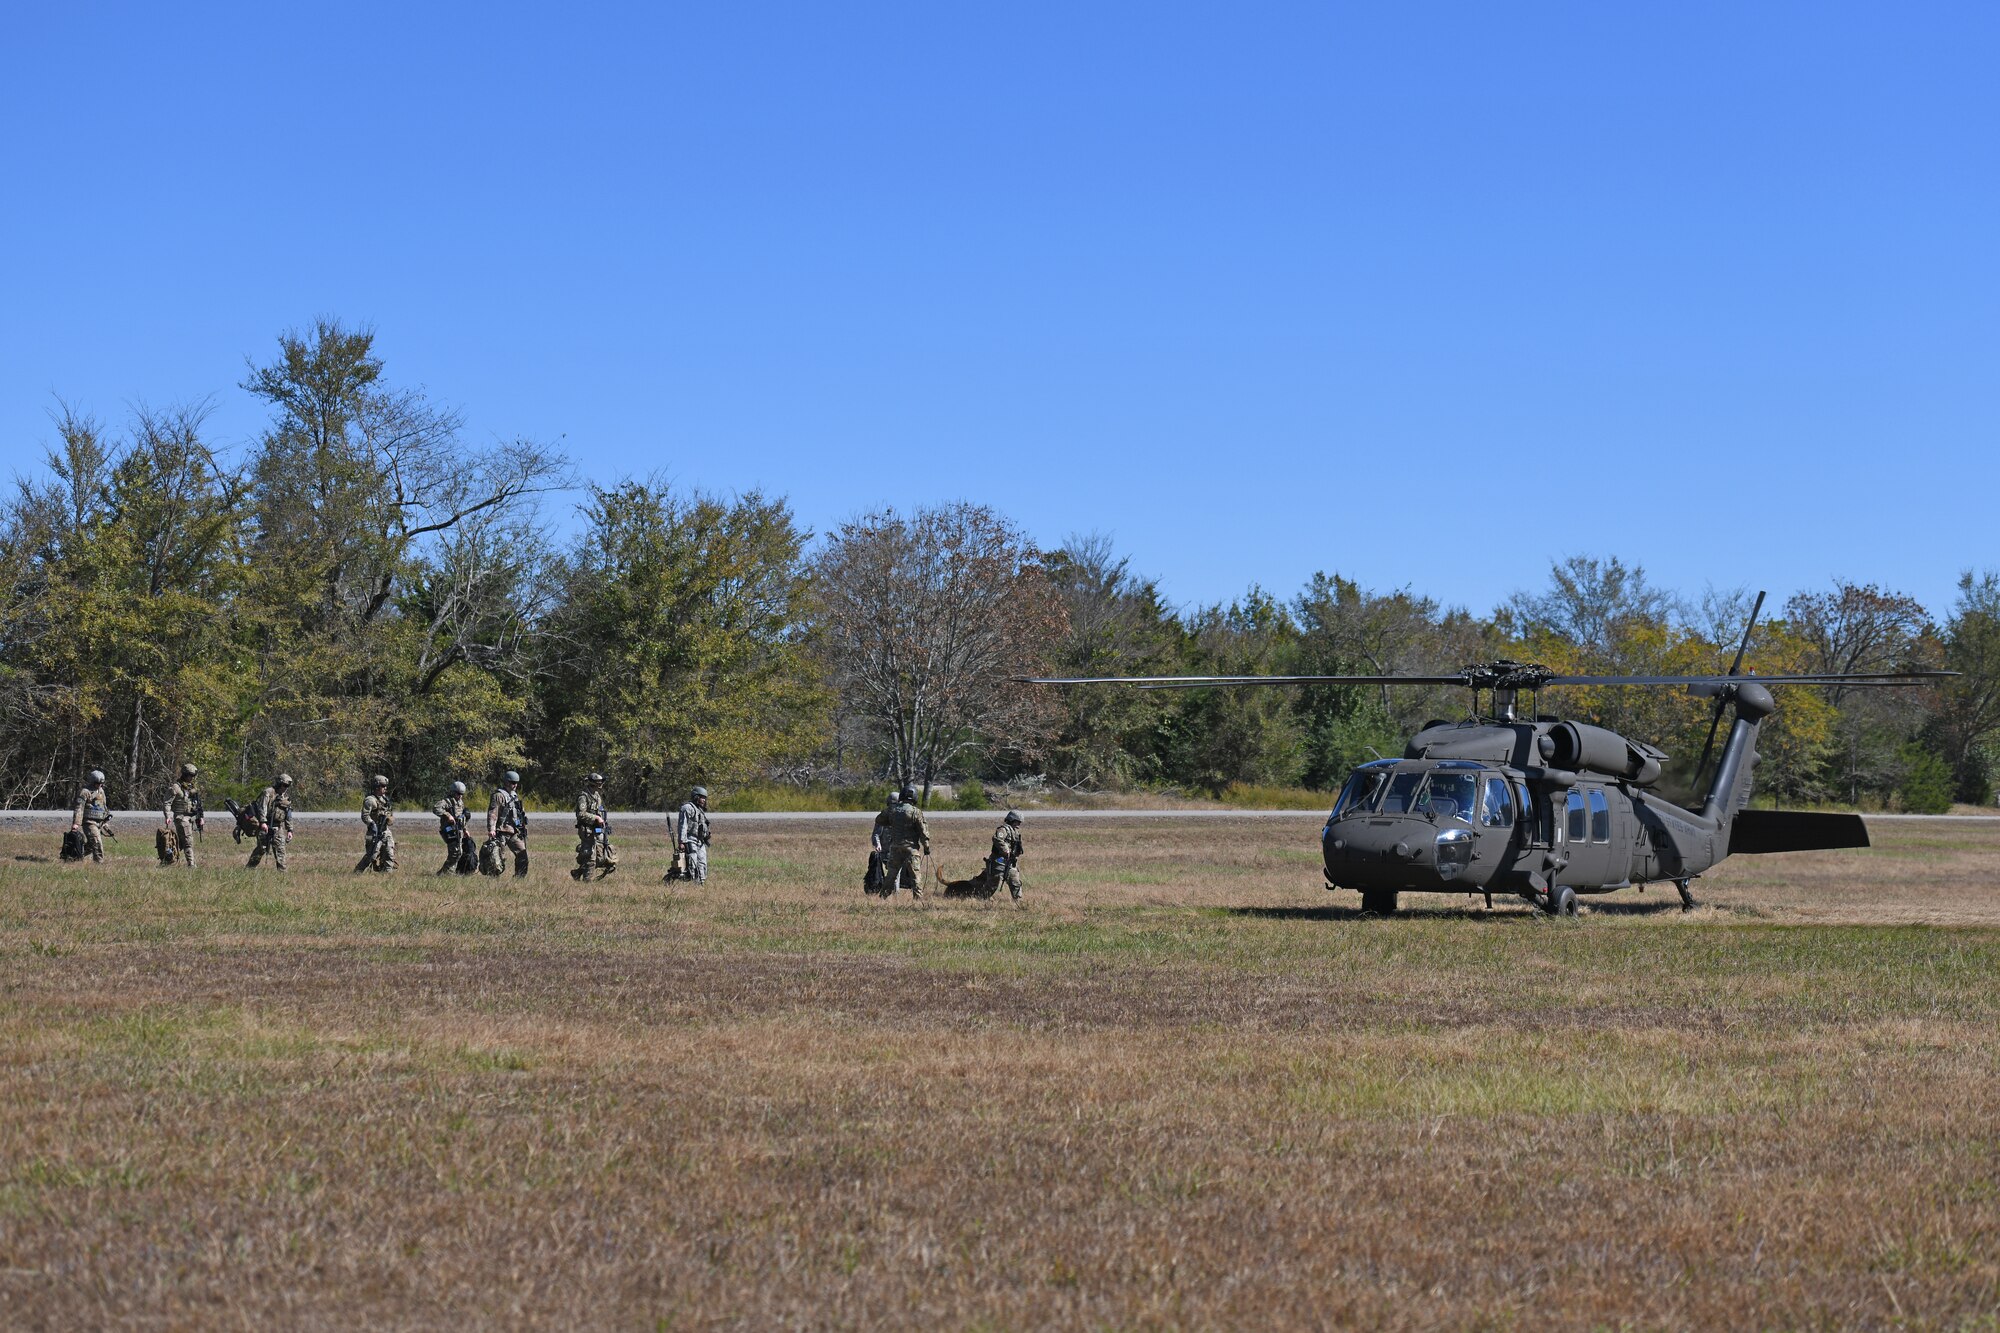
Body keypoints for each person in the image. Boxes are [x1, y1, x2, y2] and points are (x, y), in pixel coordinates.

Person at [940, 809, 1026, 904]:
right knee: (993, 884)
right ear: (1011, 820)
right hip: (999, 861)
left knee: (1015, 882)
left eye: (1019, 822)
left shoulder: (1015, 832)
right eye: (1017, 822)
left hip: (1010, 862)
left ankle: (1018, 901)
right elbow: (997, 839)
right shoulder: (1003, 829)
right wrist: (1005, 850)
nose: (1018, 824)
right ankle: (981, 899)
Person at [882, 785, 930, 900]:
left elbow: (879, 819)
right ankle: (918, 899)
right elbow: (923, 831)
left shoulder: (893, 810)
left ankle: (883, 896)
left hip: (895, 848)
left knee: (891, 874)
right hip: (911, 849)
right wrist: (926, 847)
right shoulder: (916, 812)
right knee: (915, 875)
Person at [572, 771, 617, 880]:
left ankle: (577, 873)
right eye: (598, 782)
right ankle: (587, 883)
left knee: (601, 855)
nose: (600, 784)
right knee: (590, 856)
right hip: (587, 830)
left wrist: (603, 822)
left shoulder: (596, 795)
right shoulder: (583, 796)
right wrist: (596, 818)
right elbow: (581, 814)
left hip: (597, 829)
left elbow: (599, 811)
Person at [247, 774, 294, 871]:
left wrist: (290, 830)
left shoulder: (285, 797)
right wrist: (263, 822)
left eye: (287, 786)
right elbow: (262, 808)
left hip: (278, 827)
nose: (285, 788)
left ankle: (282, 873)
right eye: (284, 785)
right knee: (262, 848)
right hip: (266, 825)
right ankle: (249, 869)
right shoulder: (268, 792)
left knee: (281, 850)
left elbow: (288, 814)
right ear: (279, 783)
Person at [488, 770, 529, 877]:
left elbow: (519, 813)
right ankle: (493, 880)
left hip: (514, 832)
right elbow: (493, 813)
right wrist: (491, 829)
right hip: (501, 832)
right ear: (506, 782)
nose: (514, 785)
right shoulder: (498, 795)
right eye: (512, 782)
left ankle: (519, 879)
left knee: (523, 855)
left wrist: (522, 823)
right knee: (498, 858)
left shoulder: (514, 796)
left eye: (516, 783)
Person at [161, 763, 203, 868]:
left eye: (193, 776)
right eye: (190, 775)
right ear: (185, 774)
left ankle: (167, 860)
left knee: (180, 842)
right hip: (181, 818)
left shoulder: (191, 787)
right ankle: (191, 865)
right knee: (188, 841)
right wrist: (168, 816)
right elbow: (167, 802)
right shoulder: (176, 787)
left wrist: (201, 817)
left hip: (191, 817)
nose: (192, 778)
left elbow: (198, 803)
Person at [670, 785, 711, 884]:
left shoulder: (700, 810)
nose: (704, 800)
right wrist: (682, 841)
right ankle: (692, 881)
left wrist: (707, 835)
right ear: (696, 797)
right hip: (690, 839)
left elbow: (702, 825)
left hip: (700, 841)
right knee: (693, 862)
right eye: (702, 797)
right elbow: (682, 825)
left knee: (702, 863)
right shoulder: (687, 808)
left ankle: (700, 883)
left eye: (705, 798)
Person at [355, 774, 396, 873]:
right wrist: (372, 824)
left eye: (385, 786)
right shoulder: (370, 800)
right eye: (382, 786)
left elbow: (388, 813)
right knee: (372, 855)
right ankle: (358, 872)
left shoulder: (385, 799)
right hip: (374, 832)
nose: (385, 788)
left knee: (389, 853)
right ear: (377, 786)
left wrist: (389, 818)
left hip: (385, 831)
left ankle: (387, 874)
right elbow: (365, 815)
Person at [70, 769, 112, 863]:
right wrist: (76, 823)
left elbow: (104, 807)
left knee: (90, 846)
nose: (100, 785)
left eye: (101, 783)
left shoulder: (101, 791)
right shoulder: (85, 792)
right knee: (97, 842)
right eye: (98, 783)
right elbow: (79, 808)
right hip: (89, 822)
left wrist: (105, 823)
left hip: (99, 822)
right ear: (92, 782)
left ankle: (74, 856)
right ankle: (99, 864)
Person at [864, 788, 901, 895]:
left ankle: (893, 893)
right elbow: (876, 834)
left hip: (896, 851)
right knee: (893, 873)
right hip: (885, 852)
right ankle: (891, 893)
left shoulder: (901, 817)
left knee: (895, 873)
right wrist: (878, 844)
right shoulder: (883, 816)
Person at [433, 780, 472, 875]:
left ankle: (447, 872)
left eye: (462, 794)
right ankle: (445, 873)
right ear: (453, 792)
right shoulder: (446, 801)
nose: (460, 796)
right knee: (455, 853)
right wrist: (447, 815)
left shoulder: (460, 803)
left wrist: (465, 829)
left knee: (458, 852)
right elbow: (435, 808)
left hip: (458, 830)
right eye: (458, 794)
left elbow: (461, 818)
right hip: (449, 831)